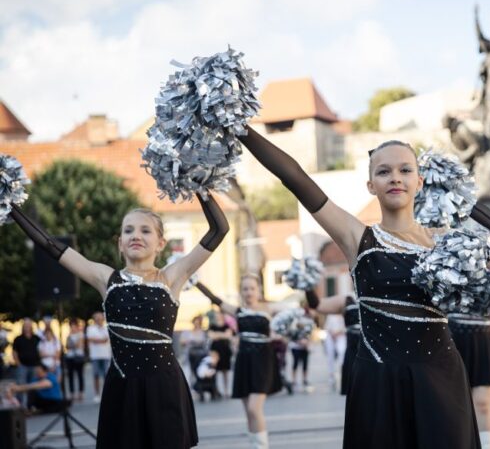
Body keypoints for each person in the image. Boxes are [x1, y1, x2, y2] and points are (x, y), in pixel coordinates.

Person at [238, 127, 490, 449]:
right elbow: (297, 179)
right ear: (371, 185)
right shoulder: (357, 238)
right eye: (383, 172)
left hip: (440, 374)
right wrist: (243, 130)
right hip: (379, 377)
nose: (395, 178)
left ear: (420, 181)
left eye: (405, 170)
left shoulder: (447, 244)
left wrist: (468, 205)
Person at [5, 190, 228, 449]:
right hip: (122, 387)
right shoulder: (106, 278)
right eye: (128, 230)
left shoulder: (171, 277)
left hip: (164, 386)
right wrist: (9, 204)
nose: (135, 235)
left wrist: (200, 187)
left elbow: (219, 230)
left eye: (145, 231)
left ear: (160, 243)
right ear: (120, 243)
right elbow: (51, 245)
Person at [196, 275, 282, 449]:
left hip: (263, 361)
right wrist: (195, 281)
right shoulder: (238, 311)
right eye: (245, 289)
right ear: (241, 292)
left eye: (252, 288)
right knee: (248, 413)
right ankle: (255, 445)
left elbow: (289, 323)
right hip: (244, 360)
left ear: (258, 290)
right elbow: (214, 299)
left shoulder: (270, 309)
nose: (249, 292)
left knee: (253, 409)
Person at [306, 291, 360, 396]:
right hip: (354, 351)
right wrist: (308, 285)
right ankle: (332, 376)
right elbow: (316, 305)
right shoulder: (348, 298)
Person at [11, 318, 40, 407]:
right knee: (21, 385)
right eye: (26, 325)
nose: (27, 327)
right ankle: (20, 405)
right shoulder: (18, 339)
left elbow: (40, 350)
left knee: (33, 386)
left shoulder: (36, 338)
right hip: (22, 366)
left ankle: (31, 405)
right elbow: (14, 352)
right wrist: (18, 363)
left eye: (29, 325)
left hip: (34, 366)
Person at [208, 310, 234, 398]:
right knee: (214, 370)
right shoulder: (212, 326)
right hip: (215, 351)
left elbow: (228, 335)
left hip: (225, 350)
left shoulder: (227, 325)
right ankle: (216, 390)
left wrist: (217, 335)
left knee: (225, 371)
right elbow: (211, 336)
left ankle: (226, 390)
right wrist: (222, 335)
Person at [86, 311, 111, 402]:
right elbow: (91, 339)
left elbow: (106, 339)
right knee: (96, 375)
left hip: (105, 355)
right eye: (97, 318)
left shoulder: (106, 328)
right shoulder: (90, 328)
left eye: (100, 318)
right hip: (95, 356)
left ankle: (107, 393)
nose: (99, 320)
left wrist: (98, 340)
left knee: (106, 375)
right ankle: (97, 394)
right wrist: (101, 340)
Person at [322, 312, 346, 391]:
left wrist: (338, 333)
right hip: (331, 337)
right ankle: (331, 376)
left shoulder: (344, 315)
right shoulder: (330, 316)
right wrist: (332, 334)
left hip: (341, 336)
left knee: (342, 355)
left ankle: (342, 375)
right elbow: (327, 327)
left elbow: (345, 327)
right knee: (330, 358)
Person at [64, 318, 86, 401]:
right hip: (70, 357)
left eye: (74, 326)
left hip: (78, 357)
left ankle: (80, 393)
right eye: (71, 326)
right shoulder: (69, 335)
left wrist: (71, 345)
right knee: (70, 376)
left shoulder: (80, 334)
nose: (72, 328)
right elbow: (67, 346)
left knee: (80, 375)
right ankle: (72, 393)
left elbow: (78, 345)